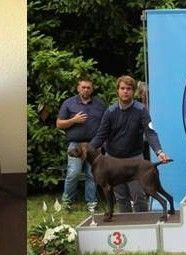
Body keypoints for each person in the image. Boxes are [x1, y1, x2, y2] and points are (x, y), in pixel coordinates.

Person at [90, 75, 170, 212]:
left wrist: (159, 151)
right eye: (122, 88)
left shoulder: (141, 110)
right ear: (117, 91)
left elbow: (150, 132)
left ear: (133, 92)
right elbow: (100, 136)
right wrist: (87, 150)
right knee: (121, 197)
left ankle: (144, 225)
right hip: (113, 161)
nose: (125, 91)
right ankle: (125, 226)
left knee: (139, 196)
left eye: (129, 88)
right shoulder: (110, 112)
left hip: (135, 161)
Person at [56, 76, 105, 209]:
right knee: (73, 172)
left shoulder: (100, 105)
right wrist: (73, 120)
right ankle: (67, 202)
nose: (86, 90)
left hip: (93, 145)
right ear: (78, 88)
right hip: (75, 145)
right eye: (83, 87)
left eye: (88, 87)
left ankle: (91, 202)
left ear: (92, 89)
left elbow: (106, 125)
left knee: (91, 174)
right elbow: (59, 124)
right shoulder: (68, 103)